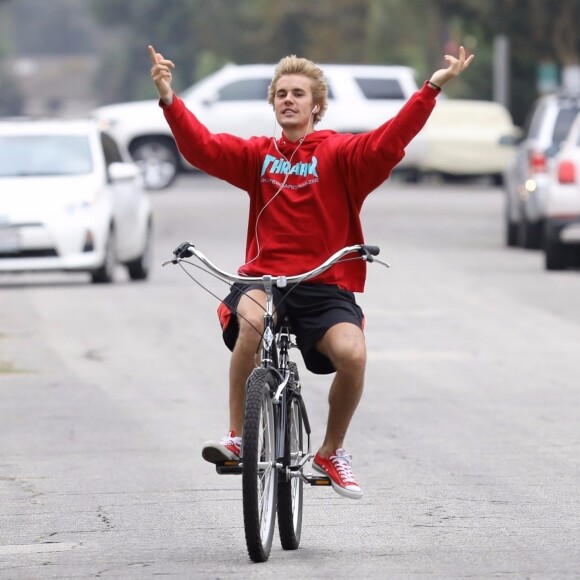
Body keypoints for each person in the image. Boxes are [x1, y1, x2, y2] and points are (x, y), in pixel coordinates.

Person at [149, 44, 473, 500]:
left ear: (315, 105)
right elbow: (202, 148)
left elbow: (389, 140)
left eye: (298, 93)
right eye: (281, 93)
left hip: (324, 284)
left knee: (353, 355)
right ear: (273, 103)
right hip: (264, 280)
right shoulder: (258, 155)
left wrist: (431, 88)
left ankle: (330, 451)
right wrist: (168, 97)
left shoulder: (341, 153)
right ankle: (239, 437)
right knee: (252, 320)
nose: (288, 99)